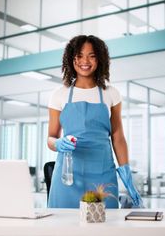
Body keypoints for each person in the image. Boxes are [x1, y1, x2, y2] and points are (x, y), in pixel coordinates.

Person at [47, 35, 143, 208]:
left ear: (100, 59)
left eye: (91, 55)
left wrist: (126, 172)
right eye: (79, 55)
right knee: (62, 226)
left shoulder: (111, 93)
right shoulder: (59, 94)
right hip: (68, 176)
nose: (85, 61)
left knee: (105, 227)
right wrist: (58, 143)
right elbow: (51, 138)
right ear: (71, 59)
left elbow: (117, 136)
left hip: (102, 175)